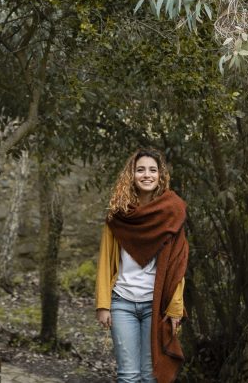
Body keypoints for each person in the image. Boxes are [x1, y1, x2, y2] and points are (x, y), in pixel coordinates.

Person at [95, 147, 189, 383]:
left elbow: (178, 264)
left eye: (152, 170)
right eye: (140, 170)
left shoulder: (172, 212)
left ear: (160, 175)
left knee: (150, 376)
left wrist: (176, 306)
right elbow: (105, 261)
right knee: (128, 375)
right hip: (121, 302)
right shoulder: (118, 215)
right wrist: (103, 304)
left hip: (155, 305)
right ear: (132, 175)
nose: (146, 175)